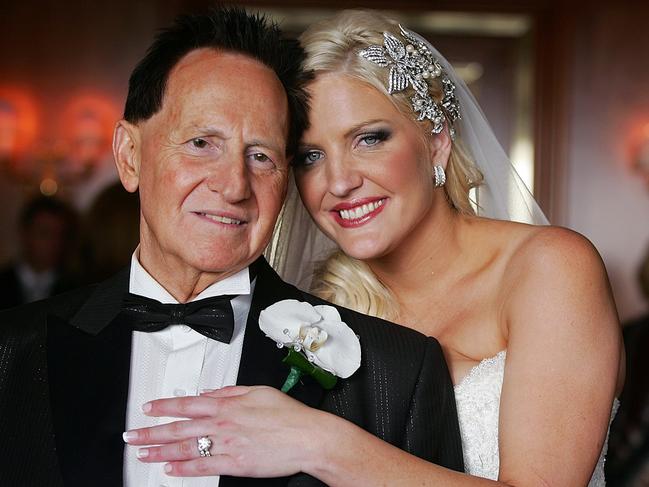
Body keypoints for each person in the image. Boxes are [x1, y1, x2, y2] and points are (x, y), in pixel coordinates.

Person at [135, 9, 625, 486]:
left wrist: (322, 443)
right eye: (310, 156)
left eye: (369, 139)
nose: (341, 181)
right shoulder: (310, 309)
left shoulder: (550, 269)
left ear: (436, 142)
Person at [0, 7, 465, 487]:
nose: (234, 186)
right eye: (202, 143)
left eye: (261, 156)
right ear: (129, 156)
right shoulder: (12, 352)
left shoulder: (395, 371)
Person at [0, 195, 78, 309]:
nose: (55, 243)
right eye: (45, 233)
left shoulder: (75, 288)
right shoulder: (3, 283)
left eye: (60, 235)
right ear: (25, 234)